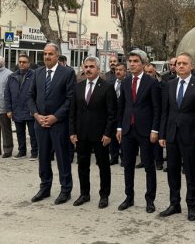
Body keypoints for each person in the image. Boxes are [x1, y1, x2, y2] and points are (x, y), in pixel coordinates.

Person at [158, 52, 195, 221]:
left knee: (190, 172)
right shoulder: (170, 84)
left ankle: (192, 206)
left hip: (191, 136)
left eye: (184, 63)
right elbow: (165, 111)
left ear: (191, 66)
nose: (180, 66)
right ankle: (174, 204)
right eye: (178, 63)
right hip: (172, 135)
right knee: (172, 171)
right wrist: (162, 134)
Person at [28, 43, 76, 204]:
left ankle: (65, 190)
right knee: (43, 157)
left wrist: (55, 117)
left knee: (62, 157)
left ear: (57, 56)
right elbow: (30, 97)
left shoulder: (67, 73)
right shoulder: (37, 73)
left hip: (59, 124)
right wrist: (36, 115)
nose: (47, 57)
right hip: (40, 123)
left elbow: (70, 99)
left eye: (50, 54)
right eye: (44, 54)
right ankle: (45, 187)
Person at [116, 49, 161, 213]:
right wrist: (119, 127)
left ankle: (150, 200)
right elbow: (122, 106)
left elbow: (157, 108)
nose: (132, 64)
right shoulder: (126, 82)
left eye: (136, 61)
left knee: (149, 166)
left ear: (143, 64)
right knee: (128, 165)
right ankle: (129, 197)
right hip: (128, 129)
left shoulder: (151, 83)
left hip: (146, 130)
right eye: (130, 61)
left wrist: (155, 129)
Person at [69, 56, 117, 209]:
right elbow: (73, 112)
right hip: (82, 134)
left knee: (103, 166)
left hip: (100, 135)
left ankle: (104, 195)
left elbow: (112, 114)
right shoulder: (78, 86)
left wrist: (108, 133)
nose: (88, 69)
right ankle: (84, 193)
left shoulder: (107, 87)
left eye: (91, 67)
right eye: (86, 67)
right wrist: (72, 132)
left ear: (98, 69)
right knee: (82, 165)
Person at [5, 54, 37, 160]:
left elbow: (38, 94)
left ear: (29, 64)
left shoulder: (35, 75)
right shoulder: (12, 77)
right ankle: (22, 152)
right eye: (20, 62)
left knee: (33, 133)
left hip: (30, 110)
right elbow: (7, 94)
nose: (22, 64)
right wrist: (8, 109)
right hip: (17, 109)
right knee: (20, 133)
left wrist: (35, 110)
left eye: (24, 62)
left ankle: (35, 152)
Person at [110, 62, 128, 165]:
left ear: (125, 72)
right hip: (113, 113)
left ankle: (124, 158)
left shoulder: (128, 82)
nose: (118, 72)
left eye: (120, 70)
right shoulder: (111, 82)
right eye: (116, 70)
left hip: (124, 113)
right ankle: (114, 156)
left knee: (123, 136)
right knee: (113, 136)